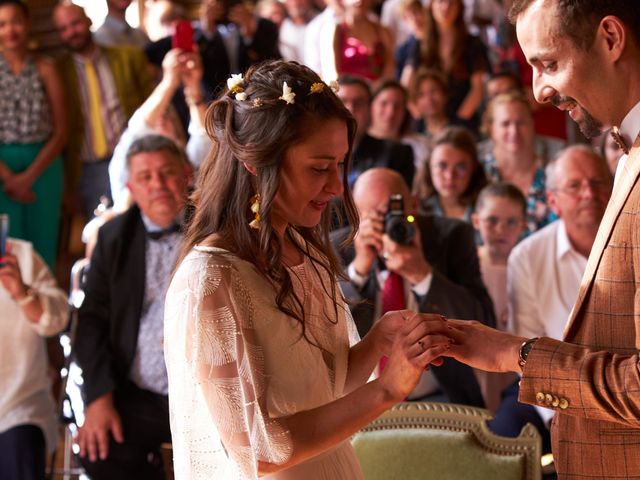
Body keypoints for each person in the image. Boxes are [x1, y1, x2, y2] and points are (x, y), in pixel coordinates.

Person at [164, 60, 452, 479]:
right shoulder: (210, 280)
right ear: (255, 161)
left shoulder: (303, 250)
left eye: (339, 165)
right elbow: (256, 452)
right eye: (319, 168)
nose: (337, 187)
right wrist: (387, 390)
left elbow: (324, 392)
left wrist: (377, 342)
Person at [443, 1, 640, 477]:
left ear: (611, 39)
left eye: (548, 64)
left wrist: (514, 354)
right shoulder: (627, 152)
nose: (538, 90)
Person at [74, 135, 192, 479]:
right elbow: (90, 321)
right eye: (145, 177)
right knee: (100, 452)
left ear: (187, 175)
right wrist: (98, 397)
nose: (157, 185)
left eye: (167, 173)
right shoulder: (113, 238)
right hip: (139, 393)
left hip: (207, 394)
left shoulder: (214, 228)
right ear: (130, 187)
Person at [488, 145, 612, 454]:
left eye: (598, 183)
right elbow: (526, 349)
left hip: (621, 382)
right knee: (502, 440)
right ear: (553, 201)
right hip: (553, 389)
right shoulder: (528, 257)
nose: (588, 193)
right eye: (575, 185)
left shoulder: (632, 241)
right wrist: (562, 418)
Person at [333, 167, 493, 405]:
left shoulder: (451, 237)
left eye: (393, 212)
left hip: (441, 397)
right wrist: (358, 272)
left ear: (414, 205)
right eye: (374, 215)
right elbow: (328, 332)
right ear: (356, 216)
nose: (388, 222)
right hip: (361, 398)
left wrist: (422, 274)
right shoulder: (337, 246)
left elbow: (484, 321)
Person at [53, 2, 153, 218]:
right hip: (89, 170)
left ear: (88, 20)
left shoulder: (128, 57)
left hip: (134, 158)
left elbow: (152, 105)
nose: (71, 32)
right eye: (63, 29)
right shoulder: (58, 73)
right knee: (104, 235)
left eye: (75, 23)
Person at [0, 0, 67, 270]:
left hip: (44, 165)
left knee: (43, 244)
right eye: (2, 24)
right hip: (2, 167)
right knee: (7, 248)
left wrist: (28, 177)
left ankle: (46, 310)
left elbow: (61, 131)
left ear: (27, 24)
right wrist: (10, 179)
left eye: (15, 21)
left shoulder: (46, 68)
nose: (10, 30)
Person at [0, 237, 68, 480]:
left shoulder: (22, 255)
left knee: (19, 447)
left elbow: (58, 320)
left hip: (17, 406)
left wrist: (23, 293)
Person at [108, 47, 210, 209]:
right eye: (155, 120)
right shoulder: (128, 162)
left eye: (167, 117)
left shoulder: (188, 160)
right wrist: (169, 82)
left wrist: (193, 85)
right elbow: (139, 127)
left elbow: (203, 136)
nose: (160, 122)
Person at [470, 182, 525, 413]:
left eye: (510, 222)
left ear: (523, 225)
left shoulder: (526, 265)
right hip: (476, 364)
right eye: (492, 220)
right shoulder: (469, 265)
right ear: (476, 221)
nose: (501, 229)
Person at [400, 0, 490, 133]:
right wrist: (421, 118)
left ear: (460, 7)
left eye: (452, 3)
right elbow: (405, 87)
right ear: (431, 6)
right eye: (441, 1)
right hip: (427, 126)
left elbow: (477, 89)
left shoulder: (472, 43)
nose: (446, 7)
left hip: (463, 123)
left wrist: (456, 123)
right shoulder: (419, 44)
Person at [480, 91, 556, 234]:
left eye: (520, 122)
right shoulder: (479, 173)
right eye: (505, 124)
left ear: (532, 124)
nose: (513, 131)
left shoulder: (552, 171)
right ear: (491, 129)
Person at [337, 75, 415, 189]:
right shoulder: (314, 151)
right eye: (342, 102)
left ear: (370, 108)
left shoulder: (397, 154)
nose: (350, 109)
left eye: (358, 103)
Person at [414, 126, 487, 222]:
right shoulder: (416, 211)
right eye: (442, 166)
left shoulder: (488, 210)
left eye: (461, 167)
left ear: (473, 169)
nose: (450, 176)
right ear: (429, 167)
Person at [367, 80, 430, 169]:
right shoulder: (354, 144)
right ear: (371, 105)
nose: (390, 112)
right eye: (384, 104)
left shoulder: (420, 147)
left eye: (397, 106)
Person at [333, 0, 395, 82]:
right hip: (346, 92)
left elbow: (389, 69)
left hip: (378, 91)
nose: (359, 1)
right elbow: (332, 74)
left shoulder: (383, 31)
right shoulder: (336, 31)